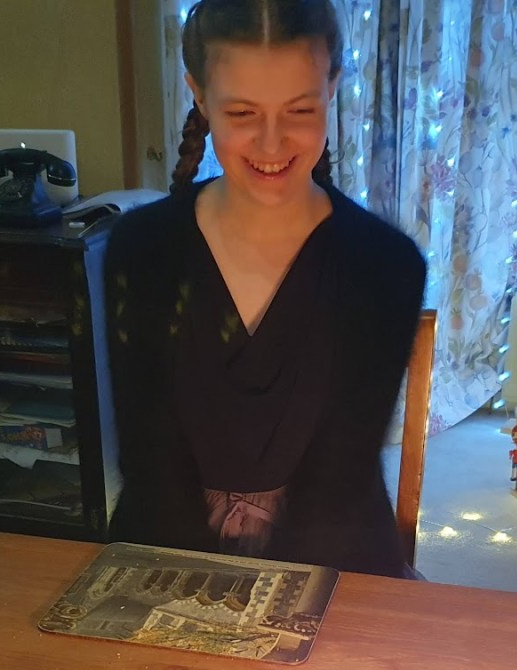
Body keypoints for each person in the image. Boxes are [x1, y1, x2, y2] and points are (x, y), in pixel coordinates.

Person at [103, 0, 426, 578]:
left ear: (332, 87)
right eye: (244, 112)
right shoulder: (140, 251)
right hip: (164, 553)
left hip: (333, 560)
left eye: (299, 109)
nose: (272, 144)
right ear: (199, 95)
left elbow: (338, 482)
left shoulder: (384, 266)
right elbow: (151, 466)